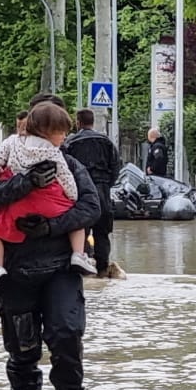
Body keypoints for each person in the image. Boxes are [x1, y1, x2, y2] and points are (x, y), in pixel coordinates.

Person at [0, 106, 104, 390]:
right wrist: (24, 183)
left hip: (61, 269)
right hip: (16, 273)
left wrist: (51, 226)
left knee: (66, 340)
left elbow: (91, 207)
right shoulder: (7, 163)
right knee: (22, 351)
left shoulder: (69, 165)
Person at [0, 103, 96, 293]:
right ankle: (79, 255)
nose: (64, 137)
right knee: (76, 219)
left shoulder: (11, 143)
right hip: (53, 211)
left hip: (18, 223)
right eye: (61, 132)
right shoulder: (56, 154)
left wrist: (1, 174)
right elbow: (77, 194)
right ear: (49, 132)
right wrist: (69, 198)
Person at [62, 107, 123, 278]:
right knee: (102, 233)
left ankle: (80, 268)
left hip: (80, 194)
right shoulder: (106, 142)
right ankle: (102, 270)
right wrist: (107, 185)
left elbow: (64, 168)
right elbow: (116, 167)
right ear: (93, 122)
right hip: (102, 193)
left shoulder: (71, 143)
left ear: (78, 122)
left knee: (80, 231)